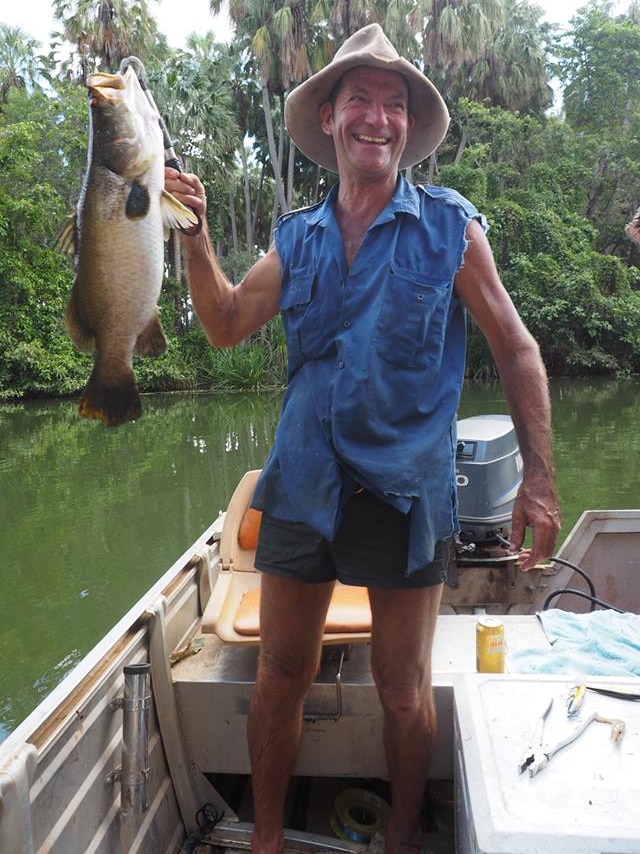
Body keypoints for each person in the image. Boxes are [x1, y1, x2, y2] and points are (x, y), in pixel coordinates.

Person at [165, 23, 561, 854]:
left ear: (409, 128)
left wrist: (538, 481)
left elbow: (516, 347)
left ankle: (407, 835)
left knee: (404, 688)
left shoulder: (450, 228)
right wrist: (196, 237)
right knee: (279, 676)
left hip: (407, 489)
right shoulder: (297, 237)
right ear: (332, 121)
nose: (377, 118)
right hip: (305, 481)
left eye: (393, 104)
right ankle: (267, 840)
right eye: (360, 102)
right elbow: (228, 322)